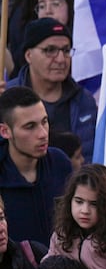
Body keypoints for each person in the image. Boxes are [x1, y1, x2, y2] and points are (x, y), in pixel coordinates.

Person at [0, 87, 74, 249]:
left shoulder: (60, 163)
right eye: (30, 126)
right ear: (5, 131)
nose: (42, 134)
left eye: (44, 122)